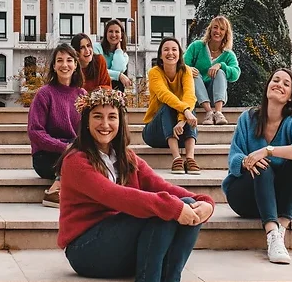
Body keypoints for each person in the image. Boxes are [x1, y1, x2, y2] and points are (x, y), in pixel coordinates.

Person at [57, 88, 215, 281]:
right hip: (85, 249)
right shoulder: (76, 160)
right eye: (97, 116)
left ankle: (170, 278)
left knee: (187, 203)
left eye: (112, 117)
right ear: (87, 122)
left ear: (120, 122)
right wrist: (171, 207)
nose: (105, 124)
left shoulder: (127, 157)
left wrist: (204, 201)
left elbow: (161, 185)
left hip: (120, 244)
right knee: (163, 211)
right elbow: (113, 195)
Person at [222, 68, 292, 264]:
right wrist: (247, 162)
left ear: (290, 97)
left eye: (286, 84)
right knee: (262, 165)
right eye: (276, 80)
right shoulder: (247, 119)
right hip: (246, 197)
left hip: (286, 201)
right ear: (267, 87)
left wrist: (268, 150)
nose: (279, 84)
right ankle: (272, 234)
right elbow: (234, 158)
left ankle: (280, 230)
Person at [27, 43, 85, 208]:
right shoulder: (44, 94)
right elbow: (35, 132)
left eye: (69, 60)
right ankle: (55, 191)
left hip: (74, 150)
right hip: (46, 156)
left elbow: (87, 130)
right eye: (59, 60)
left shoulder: (82, 95)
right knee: (76, 158)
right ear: (53, 66)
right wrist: (64, 147)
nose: (64, 65)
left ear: (75, 65)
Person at [143, 37, 200, 174]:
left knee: (191, 108)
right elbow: (164, 95)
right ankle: (176, 158)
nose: (170, 53)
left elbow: (190, 96)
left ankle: (190, 158)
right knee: (167, 106)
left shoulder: (186, 71)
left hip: (180, 132)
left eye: (174, 49)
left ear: (179, 54)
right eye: (166, 50)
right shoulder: (154, 72)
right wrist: (185, 111)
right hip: (155, 133)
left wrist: (182, 120)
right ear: (160, 55)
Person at [184, 15, 241, 125]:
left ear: (226, 33)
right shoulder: (197, 46)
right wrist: (188, 69)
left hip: (216, 95)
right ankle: (209, 112)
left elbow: (235, 74)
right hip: (196, 95)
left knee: (220, 72)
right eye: (215, 27)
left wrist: (221, 65)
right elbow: (181, 64)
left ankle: (218, 113)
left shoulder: (229, 54)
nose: (218, 31)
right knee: (193, 74)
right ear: (210, 29)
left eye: (222, 29)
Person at [93, 19, 132, 92]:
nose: (113, 35)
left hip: (113, 89)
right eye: (110, 31)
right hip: (97, 86)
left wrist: (118, 50)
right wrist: (119, 75)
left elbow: (118, 69)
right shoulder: (97, 48)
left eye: (117, 32)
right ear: (106, 34)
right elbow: (98, 71)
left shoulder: (124, 56)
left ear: (122, 35)